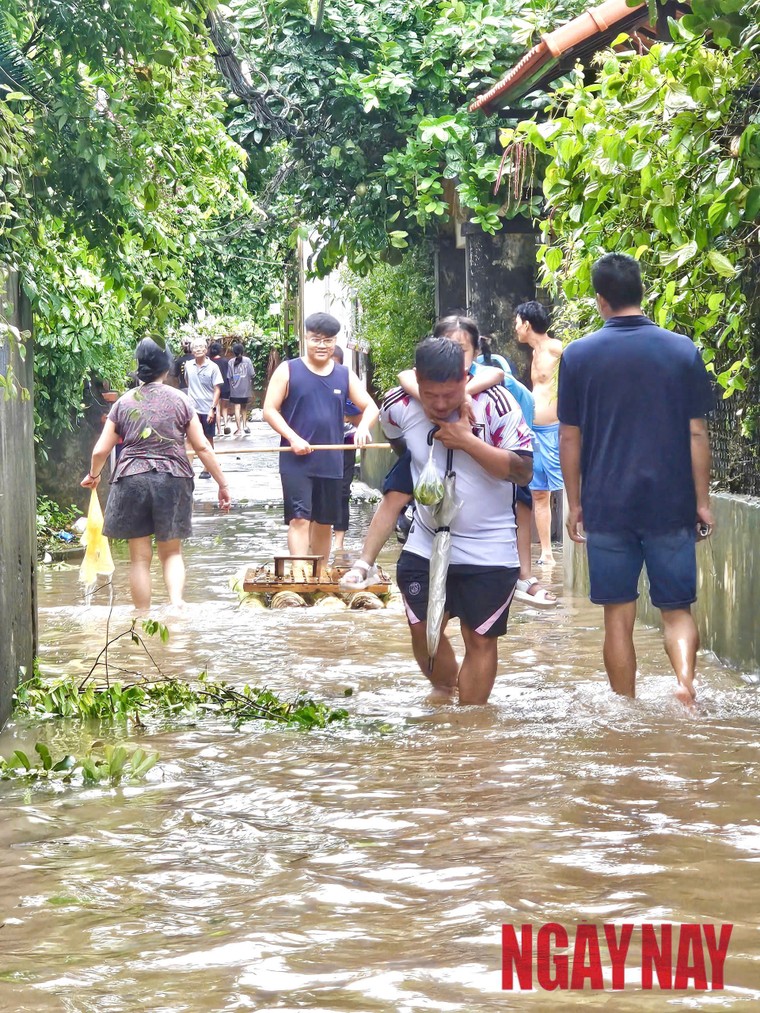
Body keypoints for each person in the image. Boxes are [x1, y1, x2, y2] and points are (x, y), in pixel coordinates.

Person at [558, 253, 714, 704]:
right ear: (642, 291)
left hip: (607, 503)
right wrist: (702, 501)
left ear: (600, 299)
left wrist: (576, 502)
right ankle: (685, 685)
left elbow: (569, 436)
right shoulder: (681, 350)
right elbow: (697, 432)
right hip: (670, 502)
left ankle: (625, 709)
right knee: (676, 610)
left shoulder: (578, 355)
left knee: (618, 617)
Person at [381, 336, 533, 705]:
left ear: (465, 379)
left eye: (449, 394)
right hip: (425, 541)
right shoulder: (397, 404)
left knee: (480, 639)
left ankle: (470, 724)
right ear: (417, 380)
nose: (439, 404)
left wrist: (467, 441)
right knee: (422, 628)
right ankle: (444, 694)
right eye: (430, 394)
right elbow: (399, 443)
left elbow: (523, 471)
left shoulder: (496, 404)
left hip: (490, 547)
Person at [340, 315, 505, 589]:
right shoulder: (414, 388)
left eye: (461, 349)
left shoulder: (485, 380)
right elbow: (404, 378)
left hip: (473, 457)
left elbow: (496, 375)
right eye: (446, 344)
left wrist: (462, 394)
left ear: (475, 352)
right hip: (424, 453)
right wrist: (428, 402)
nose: (452, 353)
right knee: (393, 495)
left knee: (521, 496)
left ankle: (525, 574)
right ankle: (365, 562)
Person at [80, 338, 231, 610]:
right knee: (171, 553)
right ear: (167, 367)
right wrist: (223, 484)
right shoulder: (181, 400)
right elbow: (202, 447)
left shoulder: (123, 403)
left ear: (138, 367)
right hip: (172, 479)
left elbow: (100, 450)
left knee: (139, 559)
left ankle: (141, 617)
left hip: (131, 480)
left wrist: (94, 475)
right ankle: (176, 605)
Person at [263, 312, 379, 574]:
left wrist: (362, 427)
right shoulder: (288, 370)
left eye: (328, 340)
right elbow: (269, 410)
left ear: (335, 341)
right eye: (316, 339)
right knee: (299, 518)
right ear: (305, 338)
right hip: (296, 460)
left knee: (325, 521)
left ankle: (320, 572)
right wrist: (293, 437)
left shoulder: (344, 375)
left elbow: (370, 407)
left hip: (331, 460)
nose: (322, 345)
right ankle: (299, 572)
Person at [479, 337, 556, 607]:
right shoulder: (516, 389)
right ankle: (521, 574)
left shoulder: (508, 389)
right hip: (503, 457)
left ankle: (522, 574)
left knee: (522, 504)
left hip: (509, 457)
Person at [515, 300, 564, 566]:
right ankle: (547, 552)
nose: (515, 328)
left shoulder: (555, 348)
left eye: (517, 322)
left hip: (556, 430)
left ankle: (577, 547)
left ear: (526, 324)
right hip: (535, 431)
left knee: (564, 489)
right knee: (539, 492)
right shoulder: (534, 354)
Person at [331, 344, 361, 553]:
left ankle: (339, 542)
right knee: (320, 491)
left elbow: (361, 413)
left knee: (342, 491)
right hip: (319, 446)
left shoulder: (348, 383)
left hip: (345, 444)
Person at [185, 337, 223, 477]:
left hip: (207, 408)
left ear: (206, 350)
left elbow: (217, 389)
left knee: (208, 438)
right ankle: (188, 468)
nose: (198, 349)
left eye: (201, 347)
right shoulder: (188, 365)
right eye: (195, 347)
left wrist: (213, 409)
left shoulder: (213, 367)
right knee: (189, 438)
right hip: (192, 409)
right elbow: (188, 382)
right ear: (192, 351)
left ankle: (207, 467)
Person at [227, 341, 255, 436]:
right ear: (242, 351)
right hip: (245, 389)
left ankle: (238, 429)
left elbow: (229, 376)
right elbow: (252, 374)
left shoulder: (230, 362)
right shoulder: (248, 360)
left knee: (237, 408)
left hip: (235, 389)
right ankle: (245, 426)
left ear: (234, 352)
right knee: (244, 408)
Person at [209, 341, 231, 436]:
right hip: (226, 387)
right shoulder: (225, 361)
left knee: (217, 408)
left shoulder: (210, 362)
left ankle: (219, 430)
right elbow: (229, 375)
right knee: (224, 408)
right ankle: (226, 424)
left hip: (215, 388)